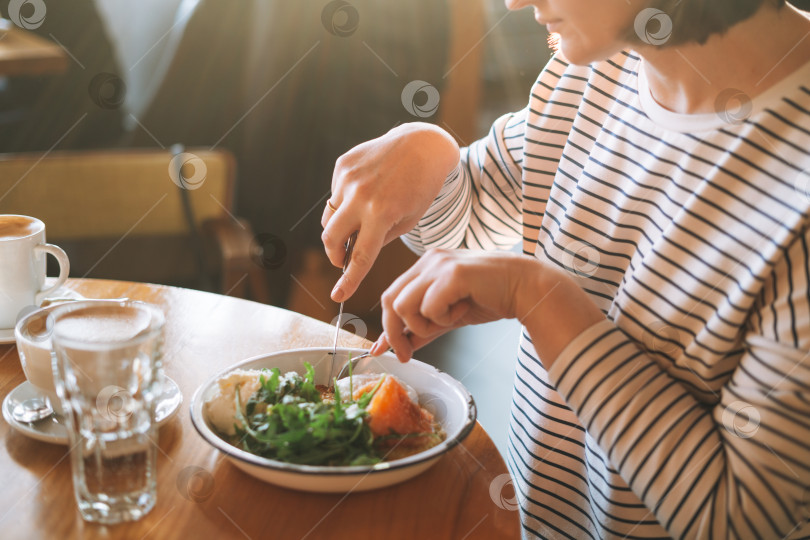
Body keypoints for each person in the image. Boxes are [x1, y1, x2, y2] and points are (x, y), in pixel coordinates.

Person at [321, 0, 810, 537]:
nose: (514, 2)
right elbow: (467, 220)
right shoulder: (597, 69)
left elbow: (738, 518)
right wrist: (429, 157)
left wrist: (538, 298)